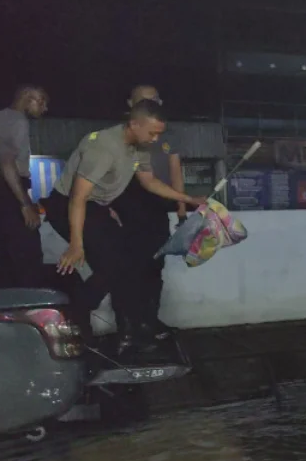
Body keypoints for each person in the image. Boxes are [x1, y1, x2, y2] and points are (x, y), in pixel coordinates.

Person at [42, 100, 204, 354]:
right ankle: (74, 317)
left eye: (159, 134)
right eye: (152, 133)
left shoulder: (139, 147)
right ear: (134, 124)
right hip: (67, 205)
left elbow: (149, 182)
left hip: (94, 206)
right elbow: (78, 197)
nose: (155, 139)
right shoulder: (103, 147)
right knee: (112, 266)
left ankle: (126, 333)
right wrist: (76, 243)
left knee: (126, 263)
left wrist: (188, 199)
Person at [110, 85, 188, 339]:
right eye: (143, 101)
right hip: (126, 202)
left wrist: (182, 210)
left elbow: (175, 172)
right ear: (130, 105)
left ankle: (150, 323)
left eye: (155, 100)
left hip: (158, 203)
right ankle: (127, 329)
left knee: (155, 264)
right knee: (126, 267)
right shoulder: (118, 135)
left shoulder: (168, 134)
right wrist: (108, 206)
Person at [0, 85, 49, 288]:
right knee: (27, 255)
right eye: (41, 101)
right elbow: (6, 162)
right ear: (26, 98)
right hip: (7, 191)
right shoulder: (16, 120)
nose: (45, 108)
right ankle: (29, 300)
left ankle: (9, 301)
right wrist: (24, 204)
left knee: (9, 257)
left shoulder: (1, 118)